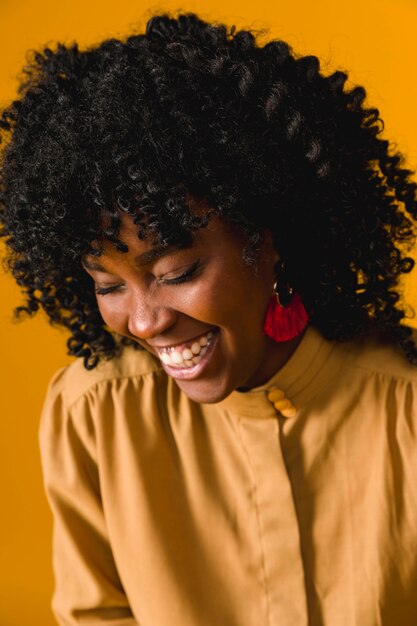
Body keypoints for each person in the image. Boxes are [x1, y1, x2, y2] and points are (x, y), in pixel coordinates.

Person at [1, 11, 417, 626]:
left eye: (177, 275)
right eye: (109, 285)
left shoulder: (403, 410)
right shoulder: (94, 412)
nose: (144, 323)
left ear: (272, 236)